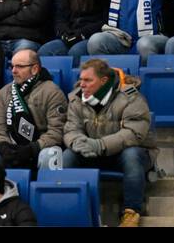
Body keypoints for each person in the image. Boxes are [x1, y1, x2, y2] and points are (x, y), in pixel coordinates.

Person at [63, 57, 153, 226]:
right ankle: (70, 210)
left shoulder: (131, 97)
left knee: (131, 155)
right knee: (67, 156)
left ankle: (131, 212)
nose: (82, 84)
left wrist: (101, 145)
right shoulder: (76, 98)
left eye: (88, 80)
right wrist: (78, 143)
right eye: (81, 79)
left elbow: (133, 133)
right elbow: (70, 129)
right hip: (91, 152)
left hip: (124, 153)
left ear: (103, 81)